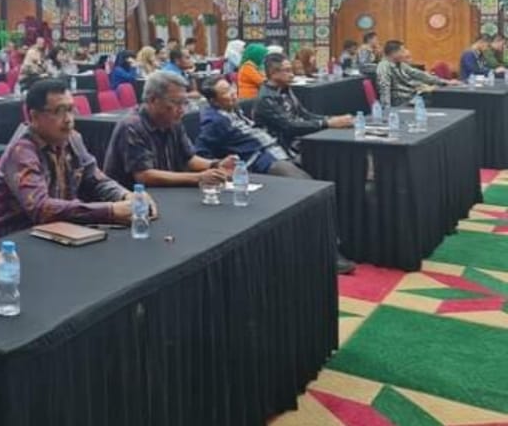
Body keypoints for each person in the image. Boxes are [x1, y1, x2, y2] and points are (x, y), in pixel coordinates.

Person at [197, 75, 356, 274]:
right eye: (226, 93)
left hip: (279, 150)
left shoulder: (233, 109)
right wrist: (221, 166)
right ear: (213, 100)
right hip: (263, 163)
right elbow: (200, 153)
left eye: (231, 89)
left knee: (330, 170)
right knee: (313, 194)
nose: (233, 94)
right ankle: (329, 254)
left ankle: (344, 240)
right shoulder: (213, 121)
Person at [0, 79, 134, 239]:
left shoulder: (73, 138)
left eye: (70, 109)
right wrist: (110, 211)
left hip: (59, 231)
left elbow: (96, 180)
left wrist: (126, 196)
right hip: (17, 240)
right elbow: (41, 209)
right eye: (59, 111)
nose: (68, 119)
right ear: (34, 116)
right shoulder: (21, 152)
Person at [102, 71, 233, 189]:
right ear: (153, 100)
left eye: (184, 103)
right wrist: (198, 177)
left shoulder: (173, 121)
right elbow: (144, 176)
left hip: (165, 193)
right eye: (176, 102)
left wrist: (216, 165)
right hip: (132, 199)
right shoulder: (131, 126)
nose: (182, 110)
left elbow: (188, 159)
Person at [254, 54, 353, 156]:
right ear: (273, 73)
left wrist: (332, 119)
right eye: (287, 71)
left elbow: (304, 114)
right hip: (279, 148)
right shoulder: (266, 99)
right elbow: (289, 126)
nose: (292, 75)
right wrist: (327, 123)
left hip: (295, 141)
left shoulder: (284, 89)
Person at [376, 39, 451, 107]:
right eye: (402, 51)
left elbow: (419, 74)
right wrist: (387, 111)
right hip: (402, 103)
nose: (403, 54)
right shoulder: (384, 67)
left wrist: (444, 81)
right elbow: (384, 89)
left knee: (442, 97)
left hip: (412, 97)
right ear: (393, 53)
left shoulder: (400, 64)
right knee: (440, 101)